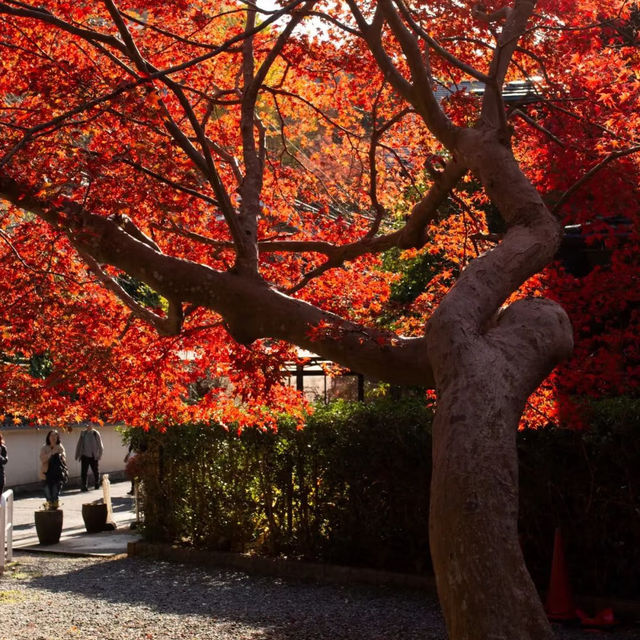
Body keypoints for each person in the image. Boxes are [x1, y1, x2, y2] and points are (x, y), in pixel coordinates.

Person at [40, 430, 67, 509]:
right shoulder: (44, 447)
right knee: (48, 496)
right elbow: (42, 459)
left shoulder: (60, 447)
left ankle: (55, 512)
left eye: (55, 436)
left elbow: (64, 459)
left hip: (57, 475)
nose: (53, 438)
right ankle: (49, 513)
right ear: (48, 437)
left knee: (55, 495)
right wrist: (51, 453)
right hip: (46, 474)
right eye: (51, 436)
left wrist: (60, 455)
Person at [75, 424, 104, 491]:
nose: (88, 426)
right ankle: (84, 486)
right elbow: (79, 444)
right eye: (87, 425)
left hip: (93, 455)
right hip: (84, 455)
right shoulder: (83, 433)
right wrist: (77, 454)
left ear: (92, 425)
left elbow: (100, 445)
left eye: (89, 425)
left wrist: (100, 455)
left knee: (95, 471)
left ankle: (97, 483)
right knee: (84, 472)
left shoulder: (95, 433)